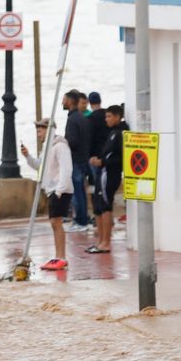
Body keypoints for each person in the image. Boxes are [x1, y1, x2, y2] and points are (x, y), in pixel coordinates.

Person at [22, 119, 73, 271]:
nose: (38, 134)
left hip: (60, 190)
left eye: (40, 131)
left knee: (57, 223)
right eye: (37, 131)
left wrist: (59, 190)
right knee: (54, 223)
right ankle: (58, 256)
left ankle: (62, 257)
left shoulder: (60, 146)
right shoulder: (47, 148)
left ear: (48, 130)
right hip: (51, 190)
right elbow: (40, 166)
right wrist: (28, 157)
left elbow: (66, 169)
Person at [88, 105, 129, 254]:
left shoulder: (122, 133)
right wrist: (98, 160)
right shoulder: (112, 132)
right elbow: (108, 153)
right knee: (98, 207)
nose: (106, 119)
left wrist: (103, 162)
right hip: (103, 172)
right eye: (106, 116)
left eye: (109, 116)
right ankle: (100, 242)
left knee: (105, 206)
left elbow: (121, 157)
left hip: (110, 174)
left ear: (118, 116)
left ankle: (106, 243)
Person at [62, 90, 92, 233]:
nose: (62, 102)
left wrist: (62, 142)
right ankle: (82, 220)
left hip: (76, 160)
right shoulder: (81, 117)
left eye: (64, 99)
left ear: (70, 101)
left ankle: (80, 221)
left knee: (77, 192)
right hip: (83, 159)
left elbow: (73, 141)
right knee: (81, 191)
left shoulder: (73, 119)